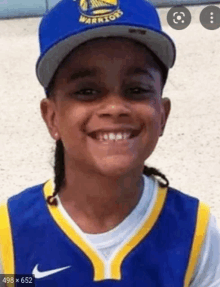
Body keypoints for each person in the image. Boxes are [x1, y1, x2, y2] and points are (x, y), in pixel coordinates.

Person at [0, 0, 220, 286]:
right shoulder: (11, 234)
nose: (114, 108)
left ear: (162, 115)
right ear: (52, 117)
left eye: (136, 89)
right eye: (87, 91)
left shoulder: (196, 233)